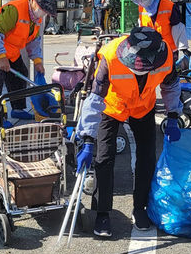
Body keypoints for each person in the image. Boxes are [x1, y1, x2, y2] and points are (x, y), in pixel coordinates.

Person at [75, 27, 182, 237]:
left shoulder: (166, 56)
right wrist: (87, 138)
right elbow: (95, 98)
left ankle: (140, 207)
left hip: (143, 107)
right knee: (104, 157)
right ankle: (102, 213)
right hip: (112, 105)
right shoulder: (110, 56)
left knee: (147, 157)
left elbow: (171, 86)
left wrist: (173, 117)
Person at [0, 0, 58, 128]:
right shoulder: (14, 10)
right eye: (42, 8)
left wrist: (38, 61)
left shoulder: (37, 18)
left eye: (46, 10)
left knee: (20, 73)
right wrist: (1, 57)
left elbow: (33, 40)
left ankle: (18, 109)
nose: (43, 12)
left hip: (10, 50)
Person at [130, 0, 191, 68]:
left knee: (169, 77)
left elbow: (178, 28)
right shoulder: (142, 7)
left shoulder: (169, 6)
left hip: (169, 50)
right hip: (150, 50)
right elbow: (141, 26)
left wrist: (184, 48)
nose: (142, 0)